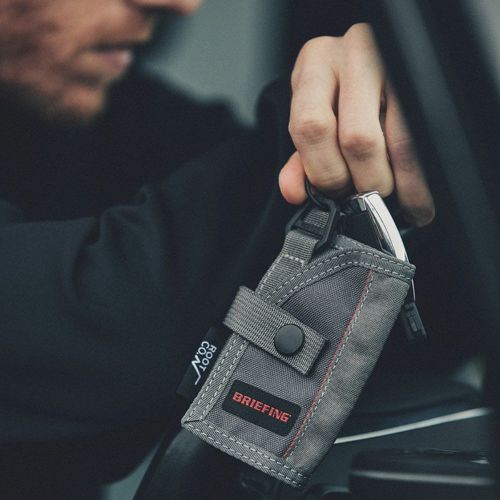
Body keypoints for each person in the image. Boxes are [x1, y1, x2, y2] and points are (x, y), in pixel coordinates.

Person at [0, 0, 434, 498]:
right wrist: (327, 116)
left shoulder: (105, 115)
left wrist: (379, 111)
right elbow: (115, 331)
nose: (180, 5)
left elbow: (427, 323)